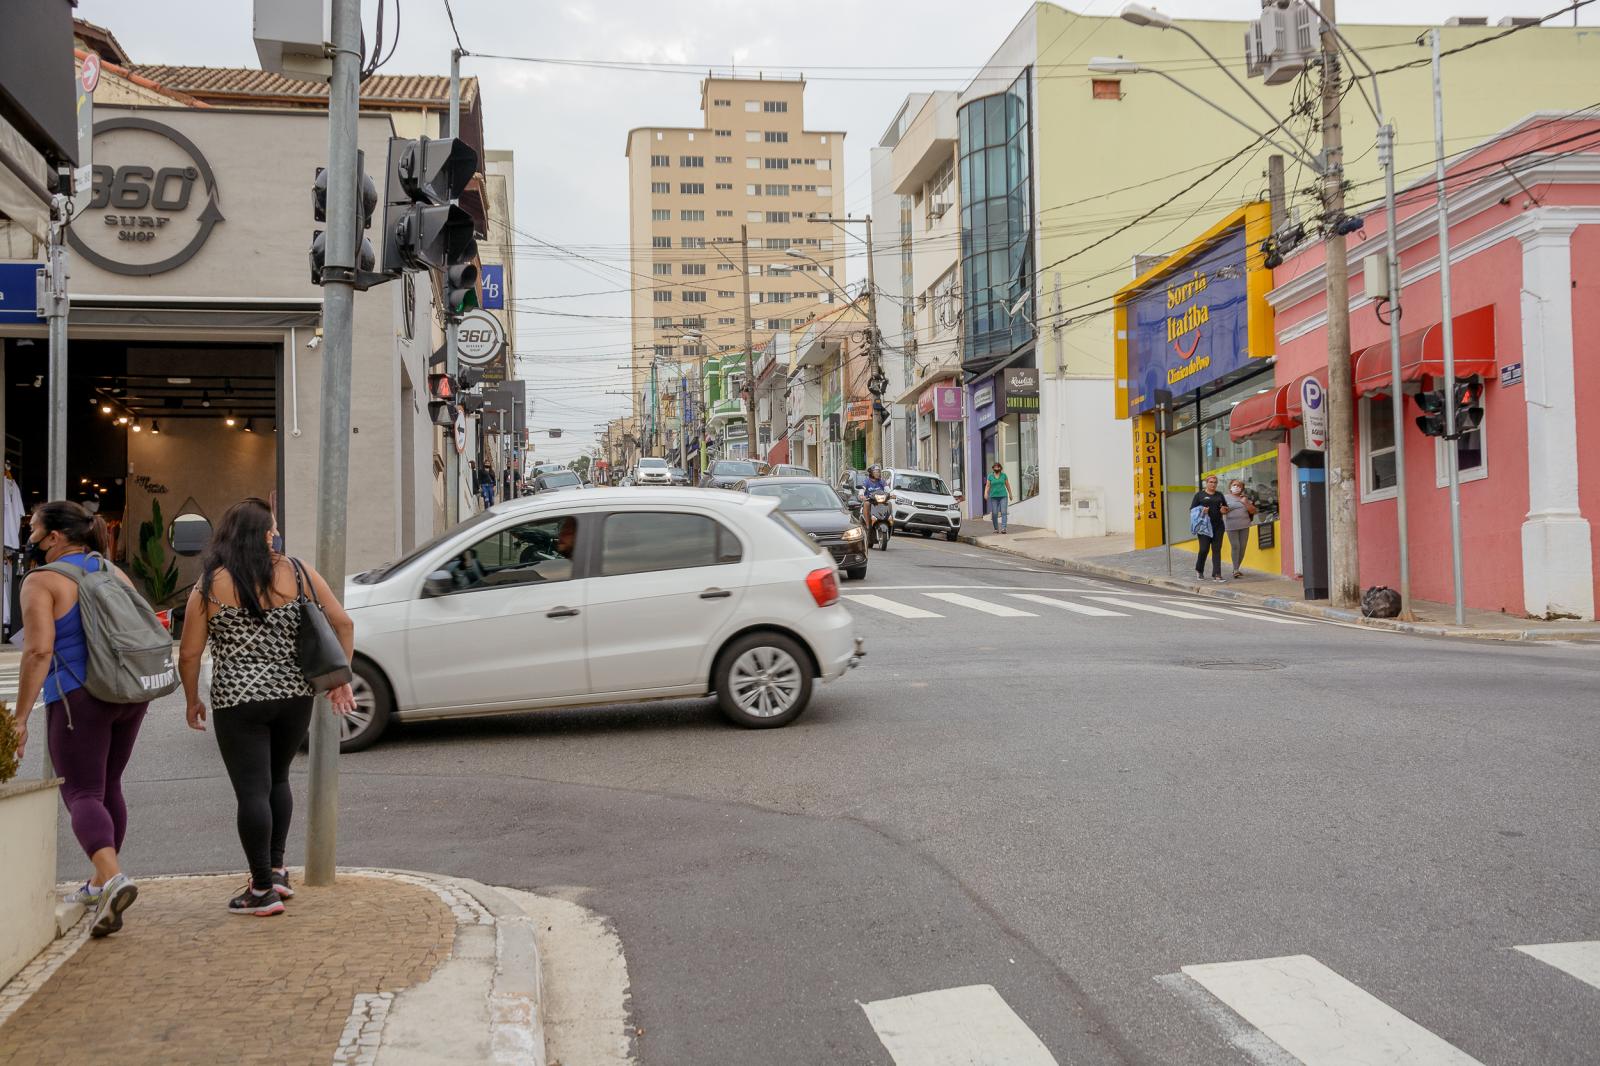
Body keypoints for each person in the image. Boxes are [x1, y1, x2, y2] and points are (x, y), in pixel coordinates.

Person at [177, 499, 356, 917]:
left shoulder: (209, 584)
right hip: (293, 695)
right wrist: (339, 678)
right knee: (278, 779)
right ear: (262, 534)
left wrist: (191, 699)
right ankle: (276, 870)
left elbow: (189, 653)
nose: (275, 534)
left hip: (237, 699)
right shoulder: (297, 571)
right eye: (271, 528)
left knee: (251, 791)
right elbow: (343, 623)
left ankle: (260, 890)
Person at [10, 501, 148, 938]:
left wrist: (20, 717)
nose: (27, 537)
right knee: (109, 786)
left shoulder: (41, 581)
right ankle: (98, 882)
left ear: (53, 537)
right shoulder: (112, 571)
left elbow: (37, 651)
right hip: (128, 693)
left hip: (78, 696)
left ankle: (112, 879)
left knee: (82, 792)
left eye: (32, 529)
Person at [1190, 475, 1229, 582]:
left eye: (1215, 482)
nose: (1213, 484)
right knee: (1204, 549)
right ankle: (1199, 570)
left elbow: (1225, 508)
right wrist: (1202, 511)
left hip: (1218, 527)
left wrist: (1224, 510)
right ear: (1206, 483)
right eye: (1211, 482)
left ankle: (1217, 574)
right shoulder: (1199, 495)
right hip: (1204, 527)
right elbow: (1192, 511)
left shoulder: (1220, 495)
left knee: (1216, 550)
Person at [1223, 478, 1258, 579]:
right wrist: (1226, 509)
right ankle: (1235, 569)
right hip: (1231, 526)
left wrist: (1245, 502)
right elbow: (1222, 511)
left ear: (1242, 488)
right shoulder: (1225, 498)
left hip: (1244, 525)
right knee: (1235, 546)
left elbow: (1253, 511)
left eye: (1239, 486)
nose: (1236, 487)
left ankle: (1237, 568)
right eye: (1234, 485)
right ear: (1230, 487)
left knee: (1242, 548)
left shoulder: (1245, 498)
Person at [986, 462, 1011, 533]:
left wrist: (1010, 494)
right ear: (993, 468)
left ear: (1000, 468)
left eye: (998, 467)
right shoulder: (990, 476)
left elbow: (1007, 485)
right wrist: (986, 493)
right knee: (994, 513)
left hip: (1003, 496)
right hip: (993, 497)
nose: (997, 468)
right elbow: (987, 486)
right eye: (995, 467)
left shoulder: (1004, 476)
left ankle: (1003, 528)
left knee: (1004, 512)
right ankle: (996, 529)